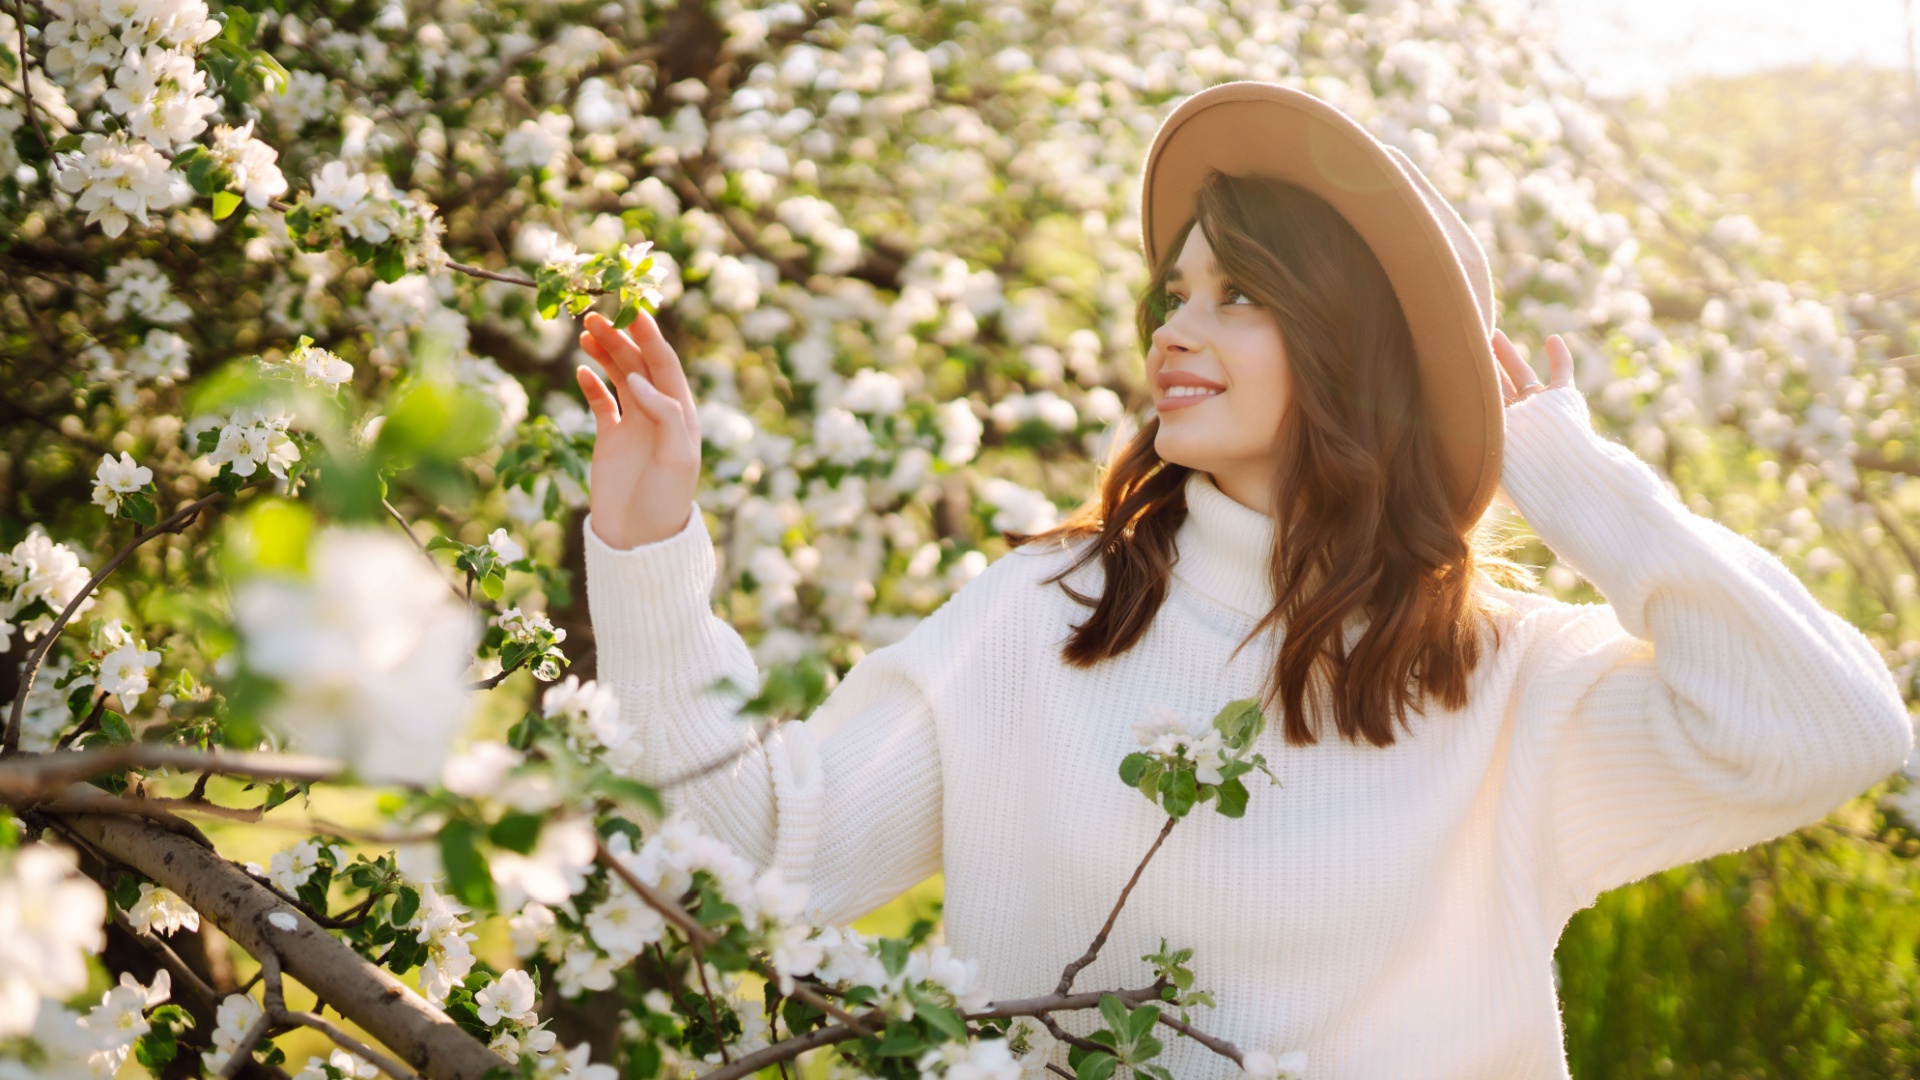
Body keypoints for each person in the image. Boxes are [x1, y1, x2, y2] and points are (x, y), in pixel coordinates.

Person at [570, 83, 1913, 1079]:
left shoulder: (1506, 682)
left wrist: (1570, 474)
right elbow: (761, 861)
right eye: (1175, 292)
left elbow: (1831, 732)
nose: (1173, 330)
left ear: (1348, 351)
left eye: (1236, 297)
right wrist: (647, 550)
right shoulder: (1049, 618)